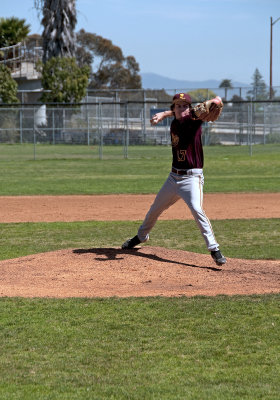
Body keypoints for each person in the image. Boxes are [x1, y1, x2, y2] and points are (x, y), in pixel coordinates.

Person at [121, 93, 226, 266]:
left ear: (190, 108)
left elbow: (211, 104)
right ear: (174, 108)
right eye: (178, 105)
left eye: (185, 105)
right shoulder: (175, 121)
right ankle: (141, 237)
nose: (181, 108)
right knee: (155, 208)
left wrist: (216, 100)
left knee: (197, 210)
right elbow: (176, 113)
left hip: (192, 178)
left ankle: (214, 249)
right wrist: (163, 114)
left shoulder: (194, 120)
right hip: (173, 177)